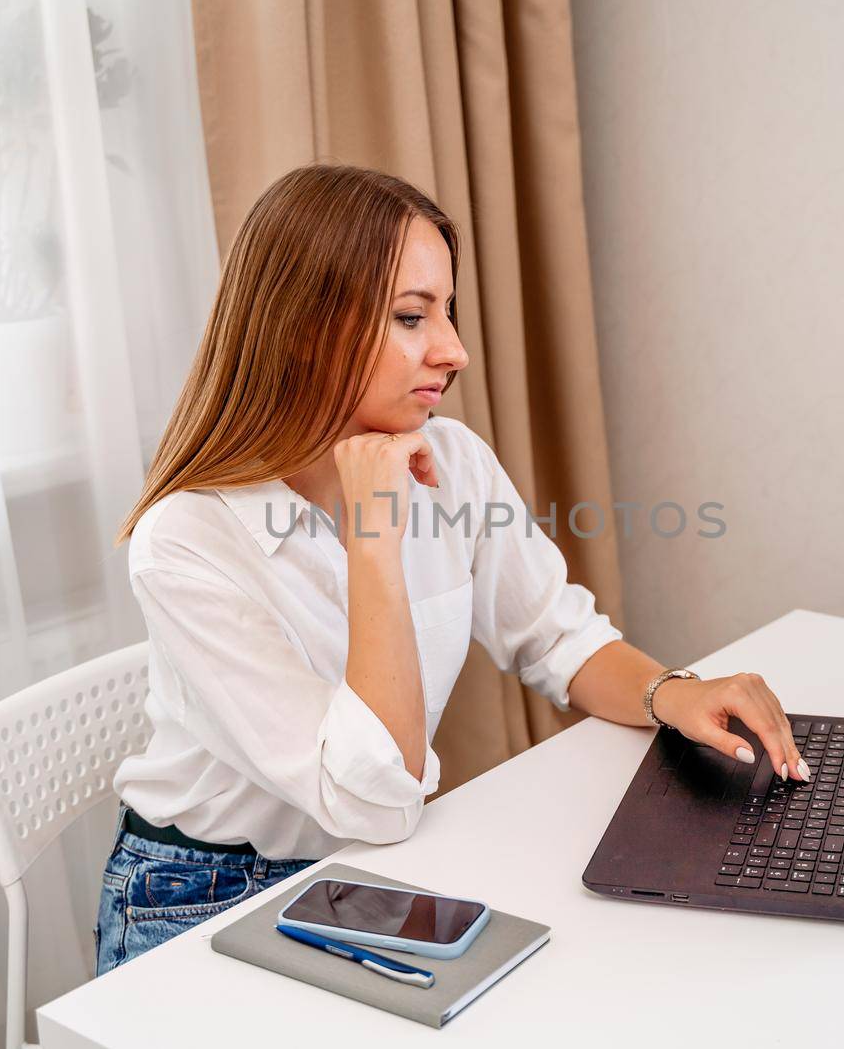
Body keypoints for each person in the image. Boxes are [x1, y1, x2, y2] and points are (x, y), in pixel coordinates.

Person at [95, 163, 806, 973]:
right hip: (203, 896)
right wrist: (375, 536)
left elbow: (553, 635)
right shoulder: (187, 541)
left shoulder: (454, 461)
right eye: (409, 316)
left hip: (369, 871)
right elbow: (373, 799)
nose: (455, 350)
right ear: (300, 328)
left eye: (447, 311)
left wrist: (677, 693)